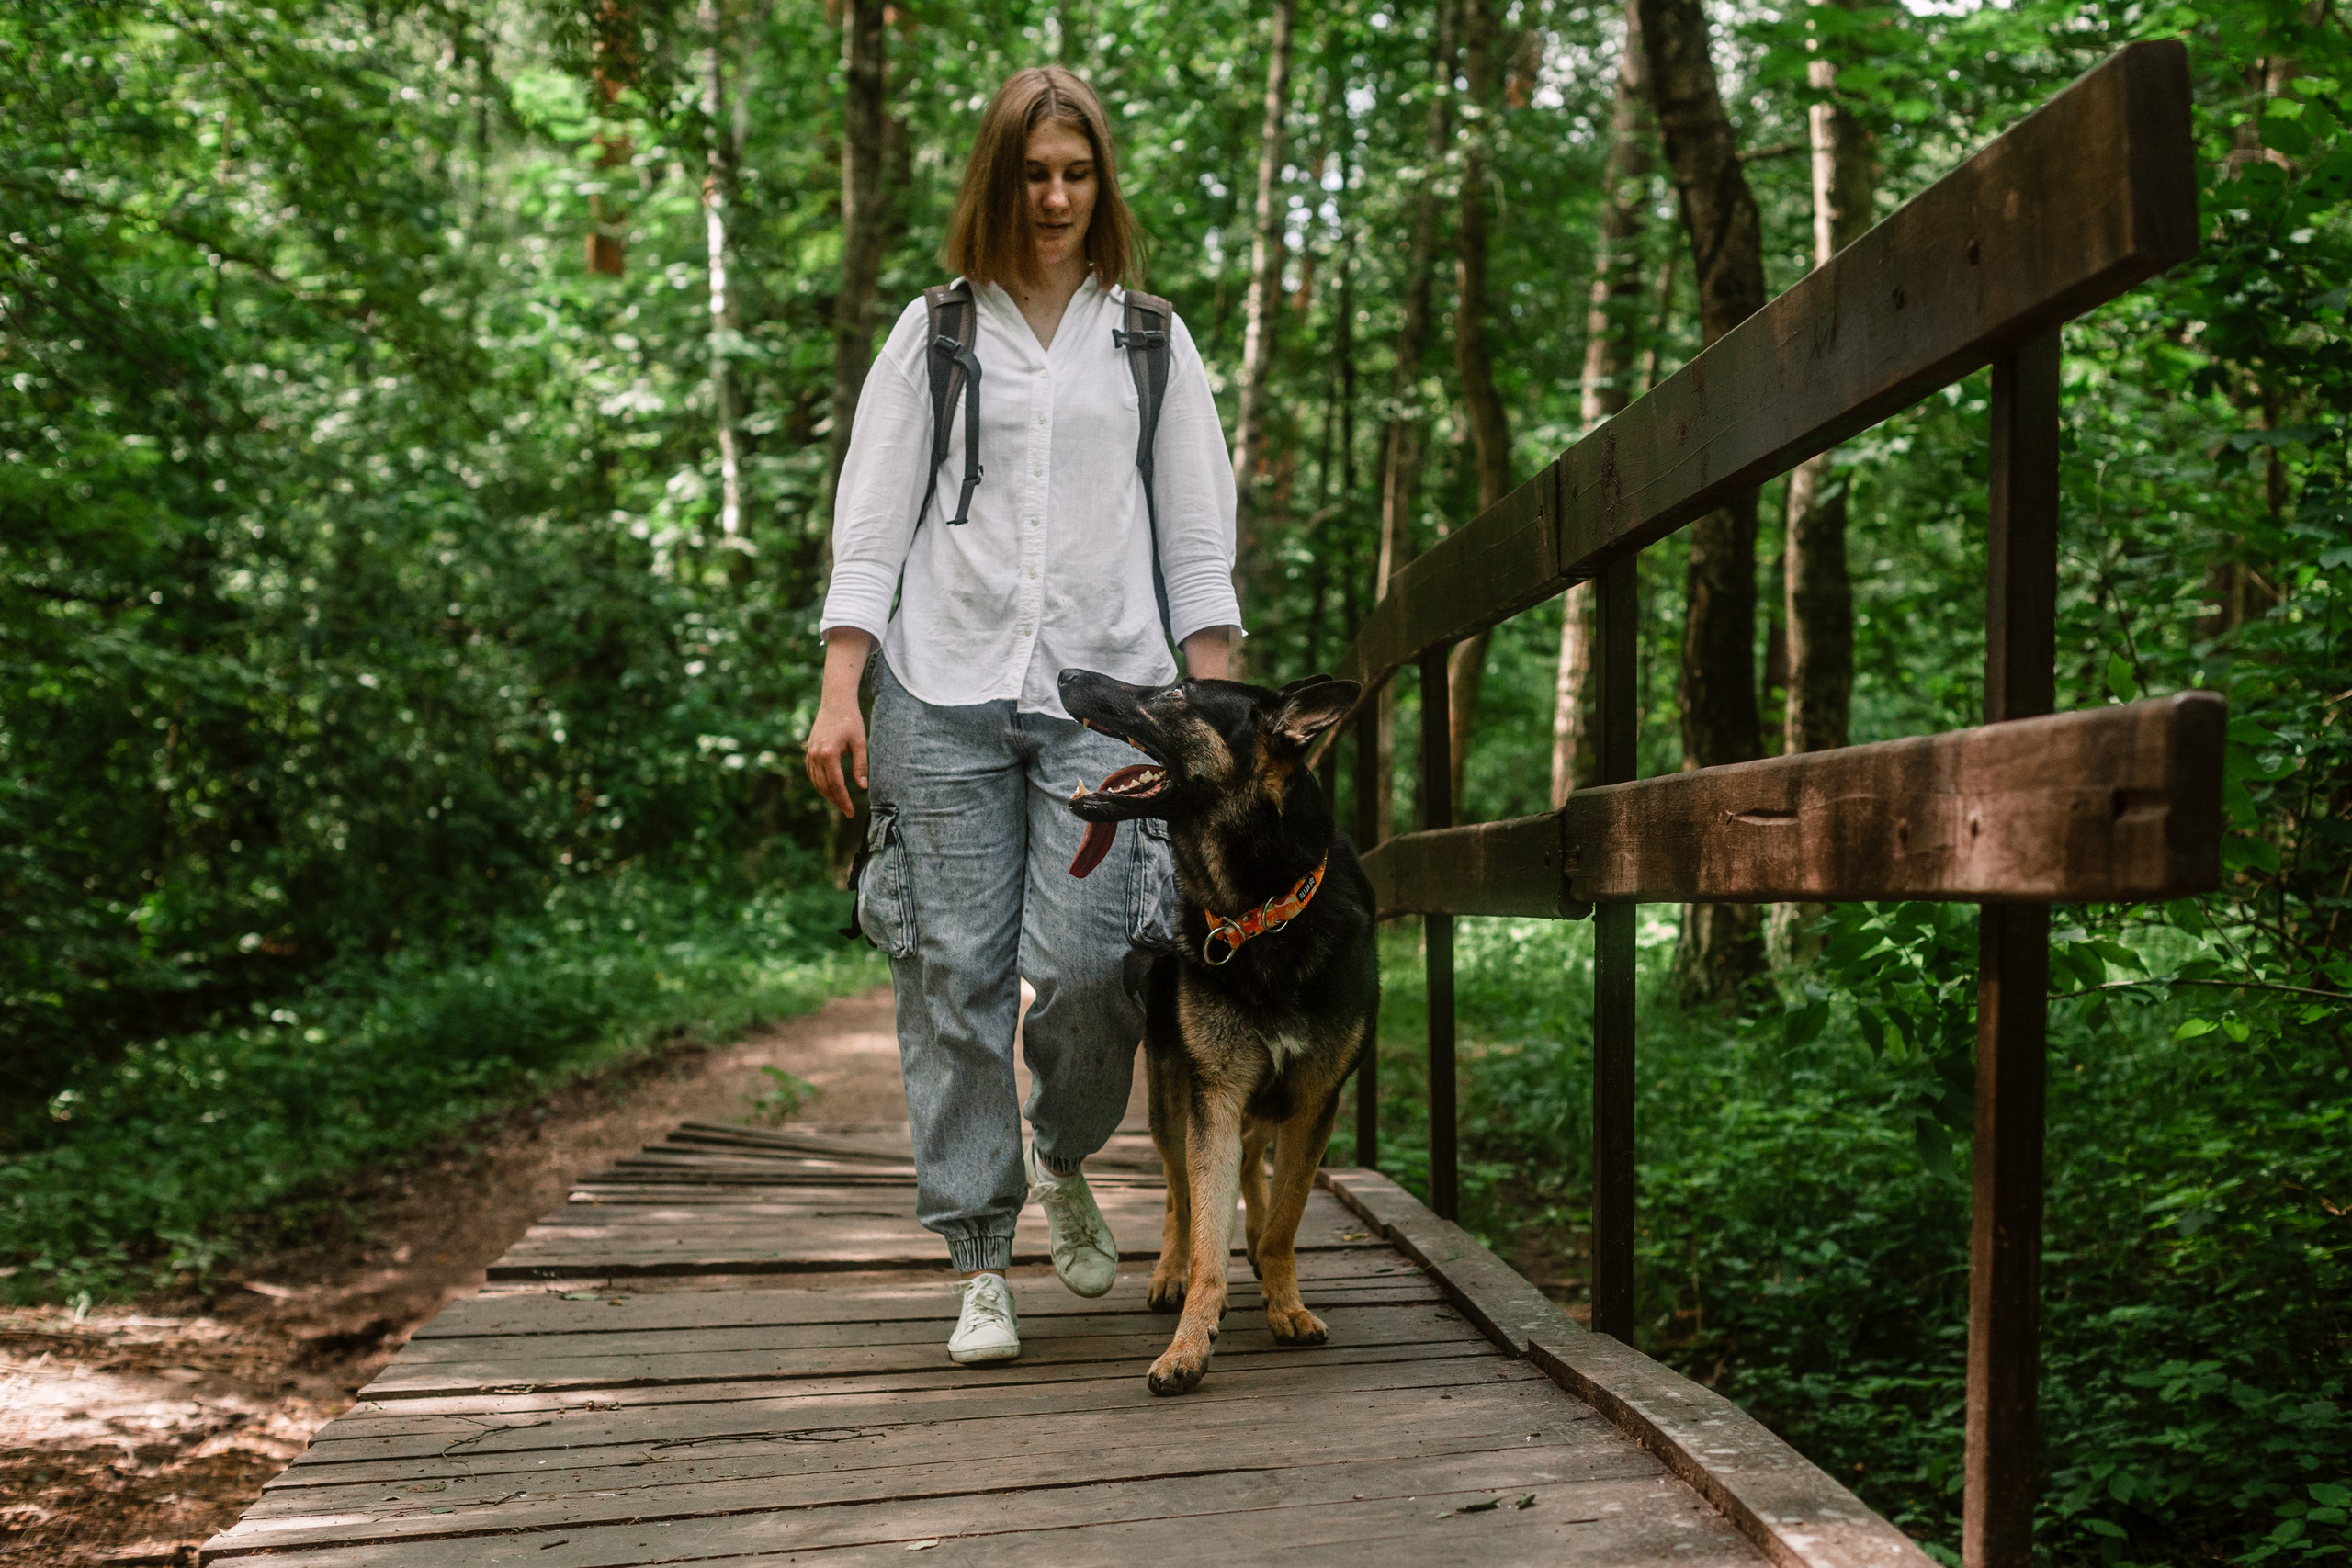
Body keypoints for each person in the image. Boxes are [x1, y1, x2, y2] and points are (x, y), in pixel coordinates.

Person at [804, 66, 1240, 1366]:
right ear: (998, 182)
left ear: (1102, 183)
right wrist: (841, 682)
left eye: (1078, 173)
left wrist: (1214, 719)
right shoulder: (935, 330)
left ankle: (1058, 1152)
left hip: (1107, 694)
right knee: (952, 977)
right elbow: (872, 519)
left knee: (1103, 960)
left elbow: (1198, 543)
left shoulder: (1149, 339)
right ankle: (980, 1257)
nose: (1056, 198)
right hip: (939, 688)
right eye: (1034, 174)